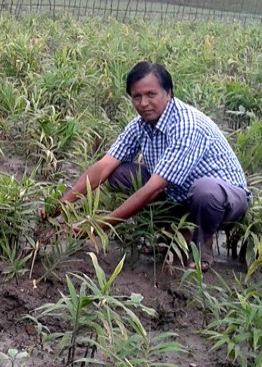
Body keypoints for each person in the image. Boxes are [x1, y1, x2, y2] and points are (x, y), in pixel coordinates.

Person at [42, 61, 249, 269]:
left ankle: (201, 244)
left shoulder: (187, 125)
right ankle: (171, 234)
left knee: (205, 191)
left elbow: (154, 188)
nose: (144, 103)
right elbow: (104, 166)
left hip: (225, 199)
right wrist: (60, 206)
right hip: (180, 194)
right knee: (118, 174)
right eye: (137, 96)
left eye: (151, 94)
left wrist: (97, 226)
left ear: (168, 93)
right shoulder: (139, 125)